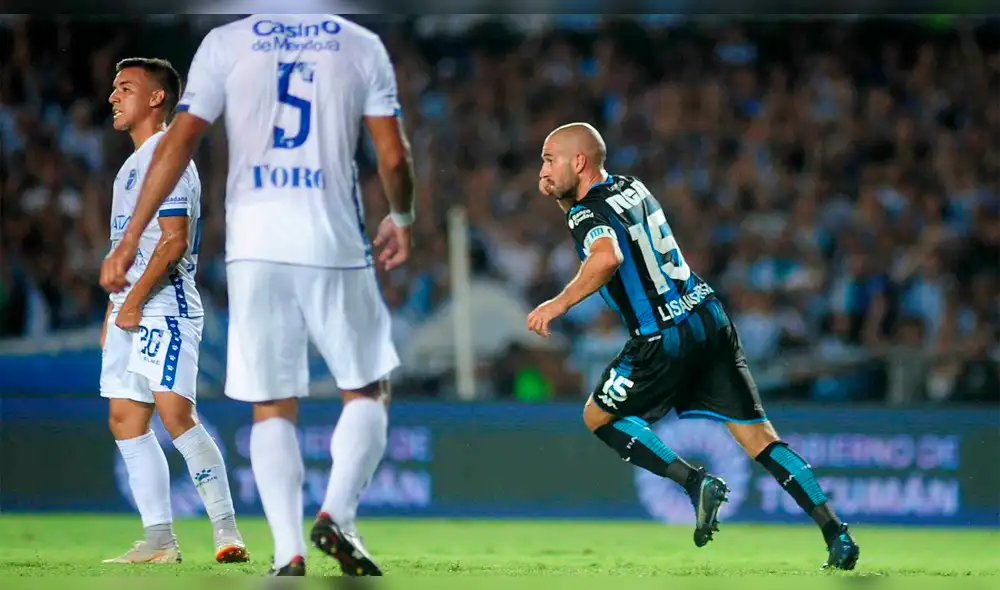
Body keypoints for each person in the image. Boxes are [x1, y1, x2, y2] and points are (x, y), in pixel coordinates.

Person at [100, 15, 415, 577]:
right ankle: (334, 515)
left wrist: (128, 255)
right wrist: (403, 214)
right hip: (331, 233)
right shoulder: (360, 44)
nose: (111, 97)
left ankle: (281, 546)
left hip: (243, 253)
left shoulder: (224, 45)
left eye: (125, 88)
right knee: (365, 388)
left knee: (263, 404)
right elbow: (392, 157)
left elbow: (183, 165)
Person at [527, 122, 860, 570]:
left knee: (598, 415)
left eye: (550, 160)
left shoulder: (584, 214)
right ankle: (836, 533)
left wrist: (557, 303)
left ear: (579, 162)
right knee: (760, 438)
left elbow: (607, 257)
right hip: (708, 315)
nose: (542, 171)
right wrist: (561, 192)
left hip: (662, 336)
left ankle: (693, 482)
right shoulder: (631, 186)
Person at [100, 57, 248, 565]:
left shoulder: (169, 156)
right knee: (124, 418)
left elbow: (173, 242)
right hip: (130, 308)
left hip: (164, 307)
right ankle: (159, 541)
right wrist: (113, 309)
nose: (113, 97)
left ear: (156, 98)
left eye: (125, 88)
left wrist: (134, 302)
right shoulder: (131, 165)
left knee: (174, 414)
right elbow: (127, 245)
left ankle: (227, 531)